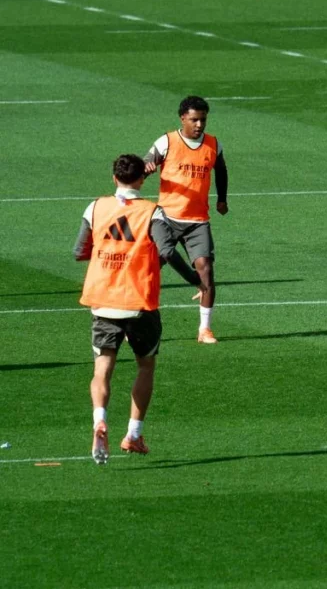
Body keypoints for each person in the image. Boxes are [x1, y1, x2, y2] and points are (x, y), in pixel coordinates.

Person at [75, 154, 203, 464]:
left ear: (113, 178)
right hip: (139, 302)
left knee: (102, 368)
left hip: (103, 300)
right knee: (145, 366)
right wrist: (197, 280)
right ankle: (133, 434)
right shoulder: (152, 212)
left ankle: (99, 420)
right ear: (142, 180)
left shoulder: (95, 207)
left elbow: (79, 251)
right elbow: (168, 251)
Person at [143, 96, 228, 344]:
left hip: (198, 221)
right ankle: (138, 323)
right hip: (166, 219)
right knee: (148, 273)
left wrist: (222, 199)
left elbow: (221, 171)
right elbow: (147, 161)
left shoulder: (213, 144)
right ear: (182, 118)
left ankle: (205, 329)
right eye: (194, 119)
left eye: (203, 119)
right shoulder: (167, 141)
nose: (199, 124)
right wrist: (148, 165)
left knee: (206, 270)